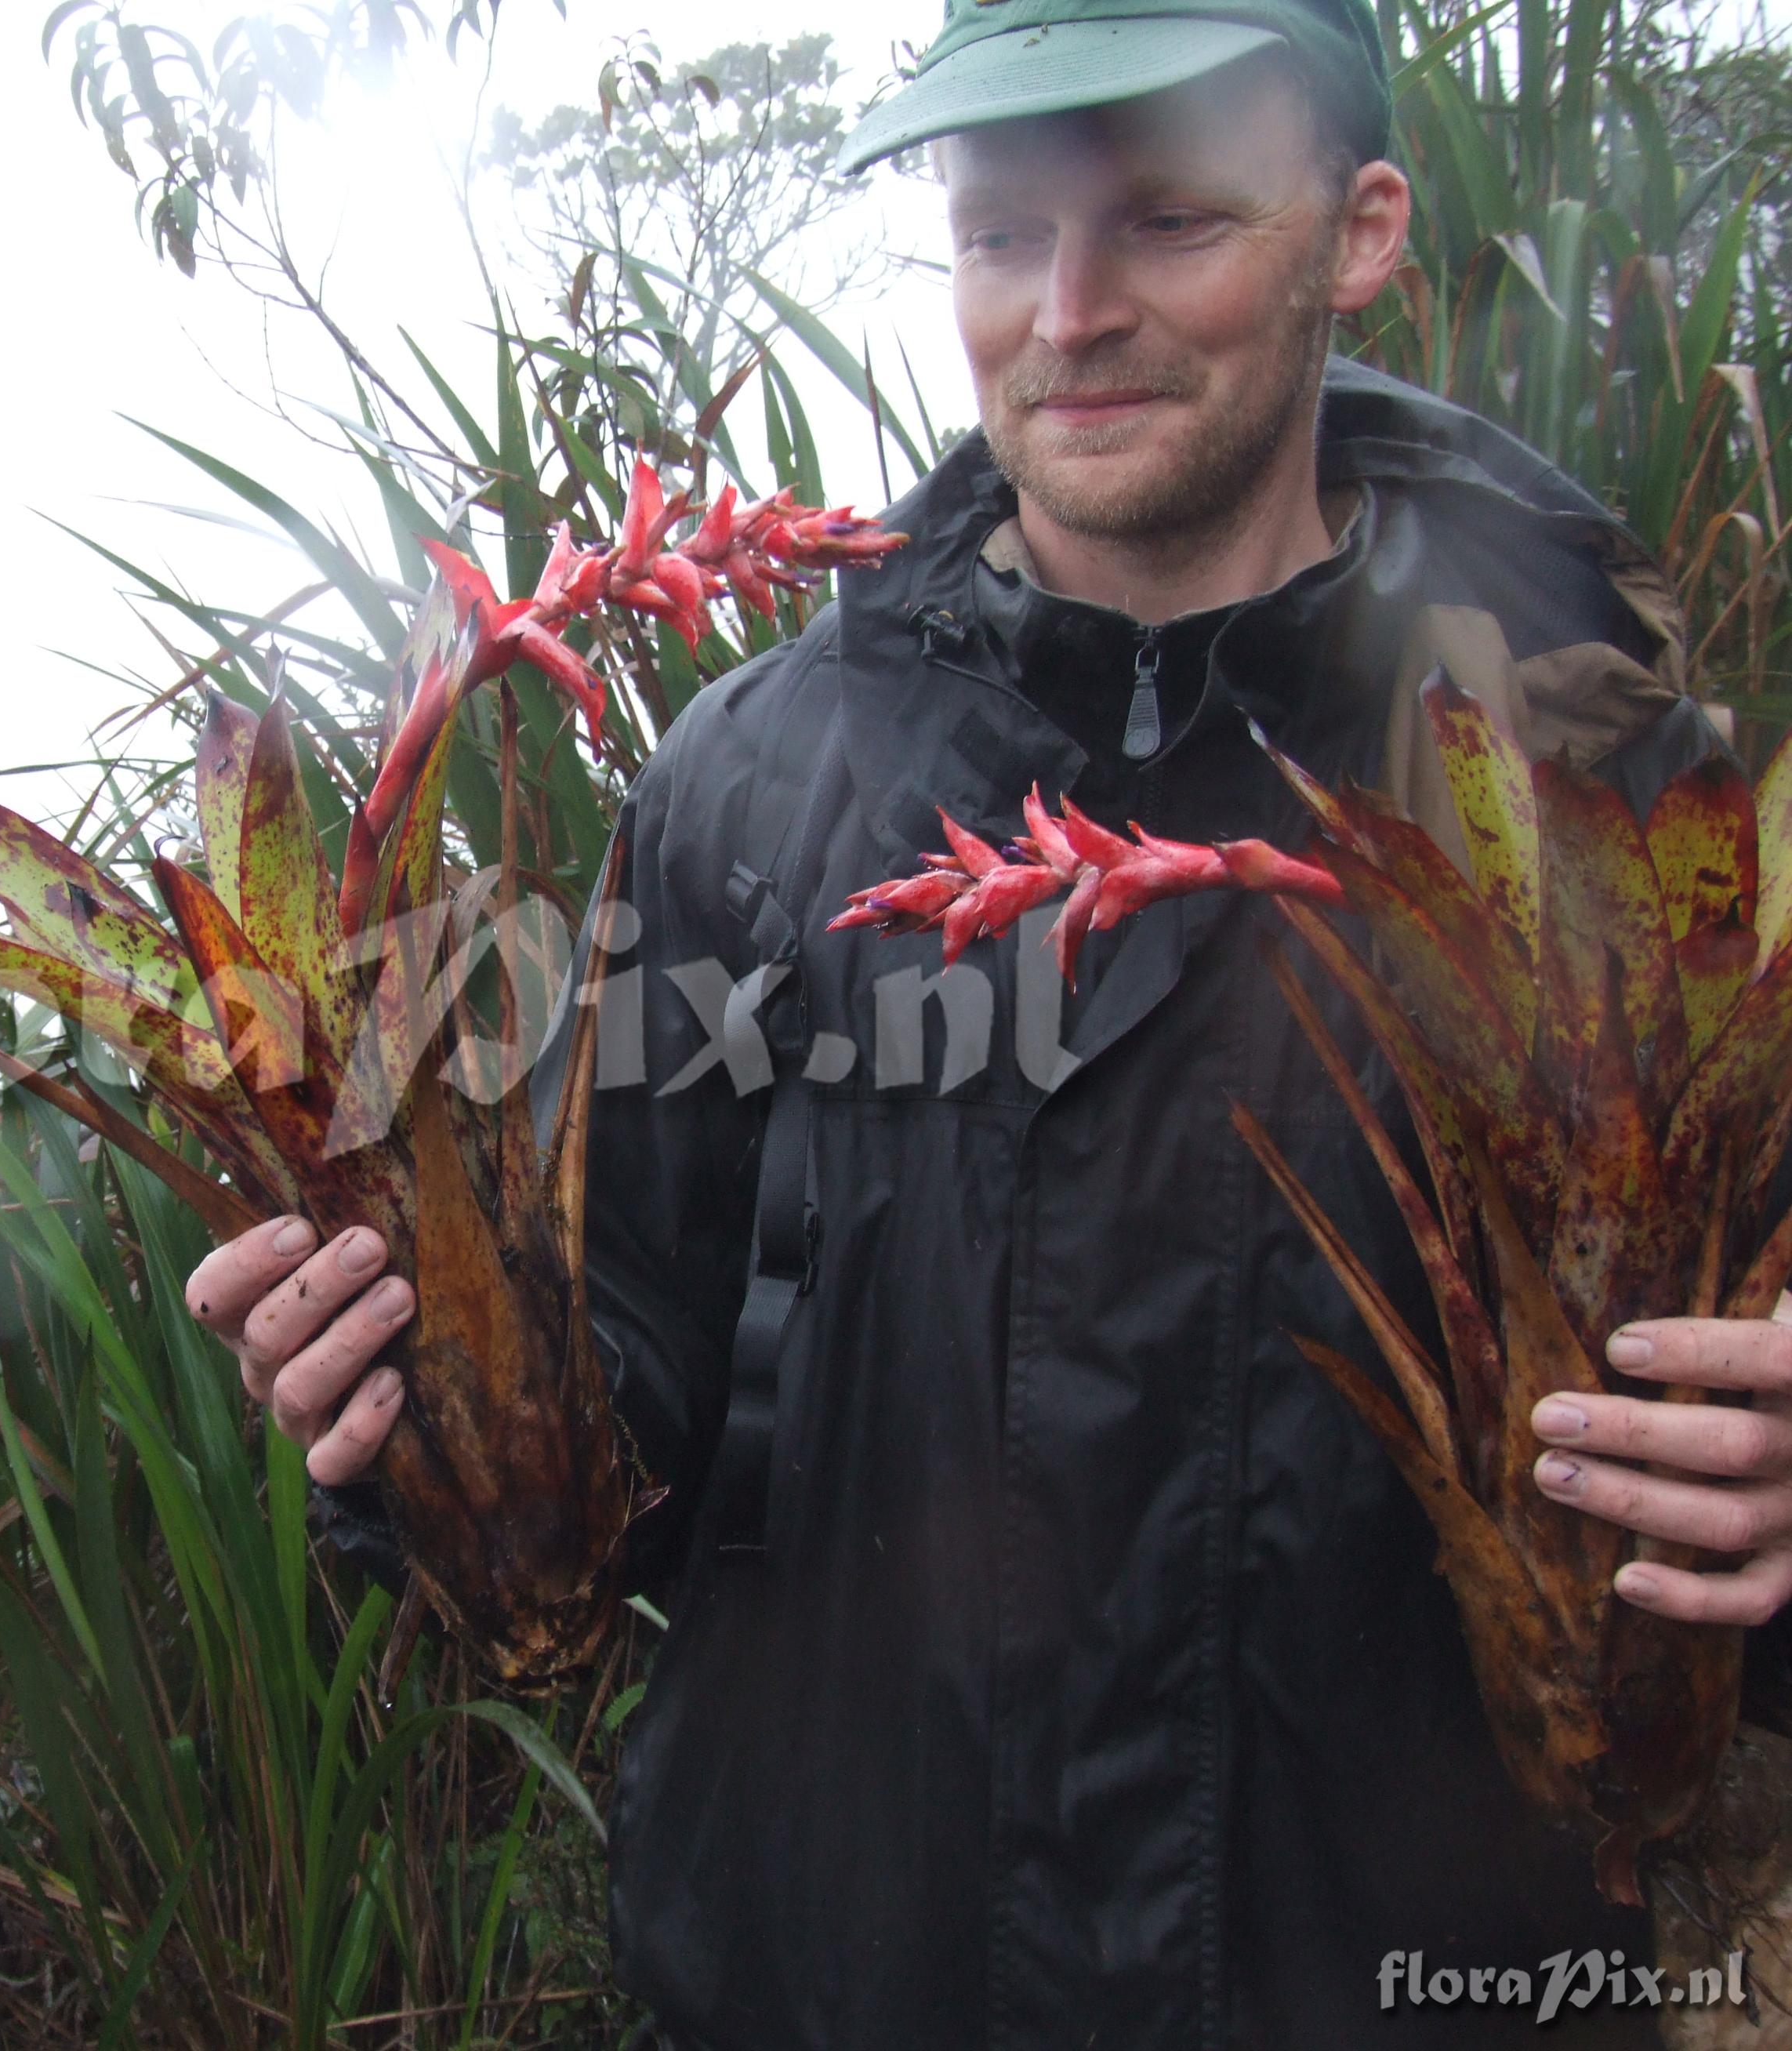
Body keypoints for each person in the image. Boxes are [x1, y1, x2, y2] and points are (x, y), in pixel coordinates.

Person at [186, 0, 1792, 2042]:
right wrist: (402, 1404)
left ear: (1361, 229)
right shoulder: (754, 786)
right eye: (1000, 232)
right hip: (834, 1978)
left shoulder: (1605, 798)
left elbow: (1724, 1407)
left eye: (1171, 220)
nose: (1071, 310)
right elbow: (640, 1388)